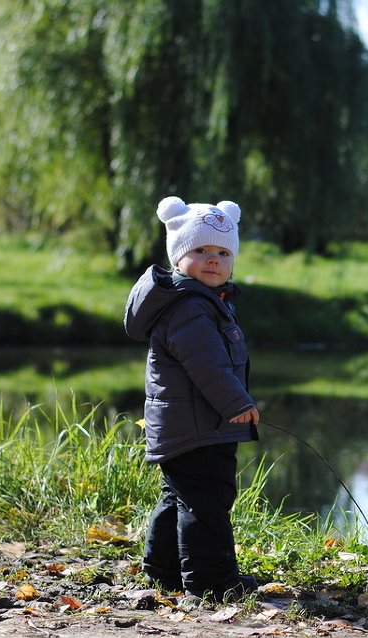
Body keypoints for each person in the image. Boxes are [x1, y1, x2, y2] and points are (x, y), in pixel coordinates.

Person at [124, 196, 260, 601]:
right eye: (199, 250)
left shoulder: (205, 303)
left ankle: (164, 568)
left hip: (191, 423)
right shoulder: (190, 310)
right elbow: (208, 368)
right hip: (199, 424)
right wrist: (238, 405)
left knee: (181, 494)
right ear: (178, 256)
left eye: (222, 252)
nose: (213, 260)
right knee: (207, 500)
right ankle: (212, 582)